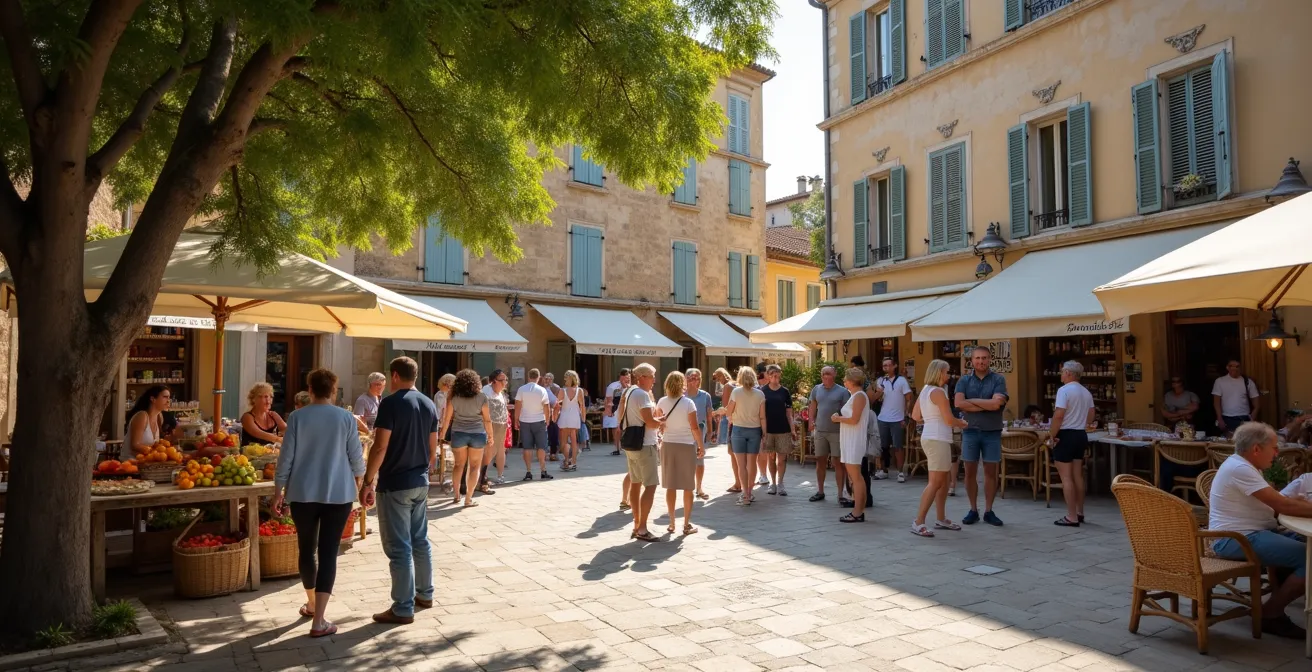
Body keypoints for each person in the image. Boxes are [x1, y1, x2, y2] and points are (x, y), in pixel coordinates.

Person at [270, 368, 364, 638]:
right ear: (333, 390)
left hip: (302, 492)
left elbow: (285, 457)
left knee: (306, 549)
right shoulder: (345, 418)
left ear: (310, 390)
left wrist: (279, 490)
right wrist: (361, 483)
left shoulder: (298, 418)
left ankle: (311, 603)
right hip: (338, 493)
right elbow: (356, 457)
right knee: (328, 552)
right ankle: (319, 618)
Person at [1208, 422, 1312, 638]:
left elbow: (1275, 500)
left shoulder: (1244, 466)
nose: (1276, 453)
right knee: (1310, 558)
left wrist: (1291, 500)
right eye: (1273, 448)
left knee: (1306, 544)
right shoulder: (1240, 468)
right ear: (1256, 449)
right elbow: (1283, 506)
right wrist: (1291, 502)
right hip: (1236, 539)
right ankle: (1270, 614)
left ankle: (1279, 603)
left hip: (1252, 533)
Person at [360, 357, 439, 626]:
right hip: (420, 480)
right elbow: (433, 450)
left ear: (394, 375)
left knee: (399, 547)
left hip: (395, 482)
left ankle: (403, 607)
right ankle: (425, 595)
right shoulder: (429, 403)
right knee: (420, 540)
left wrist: (368, 480)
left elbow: (380, 446)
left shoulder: (391, 403)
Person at [909, 360, 968, 537]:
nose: (949, 376)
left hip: (930, 436)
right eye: (947, 372)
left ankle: (941, 518)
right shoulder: (939, 392)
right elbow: (950, 420)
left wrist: (931, 419)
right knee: (935, 482)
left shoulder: (925, 390)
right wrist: (962, 423)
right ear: (939, 373)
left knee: (941, 481)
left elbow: (915, 415)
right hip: (938, 439)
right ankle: (918, 521)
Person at [954, 346, 1007, 527]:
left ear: (989, 359)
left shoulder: (999, 379)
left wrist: (971, 403)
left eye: (984, 358)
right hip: (970, 431)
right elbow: (958, 403)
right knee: (969, 472)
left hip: (992, 431)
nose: (981, 361)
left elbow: (996, 405)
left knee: (991, 472)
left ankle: (989, 510)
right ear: (972, 360)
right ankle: (973, 509)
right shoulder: (964, 380)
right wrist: (987, 404)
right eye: (977, 358)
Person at [617, 363, 663, 541]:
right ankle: (642, 527)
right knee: (650, 486)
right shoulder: (642, 395)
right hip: (645, 444)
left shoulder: (629, 392)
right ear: (643, 377)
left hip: (632, 444)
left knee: (635, 483)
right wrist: (661, 421)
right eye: (652, 376)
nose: (654, 380)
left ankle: (637, 523)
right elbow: (650, 422)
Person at [656, 371, 705, 536]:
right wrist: (701, 445)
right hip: (686, 445)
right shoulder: (688, 403)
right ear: (682, 385)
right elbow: (694, 427)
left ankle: (671, 522)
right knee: (687, 486)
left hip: (668, 444)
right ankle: (686, 523)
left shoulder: (662, 401)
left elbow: (660, 425)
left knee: (671, 485)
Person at [1050, 361, 1095, 527]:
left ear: (1068, 373)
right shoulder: (1086, 392)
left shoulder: (1064, 391)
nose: (1061, 374)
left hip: (1066, 434)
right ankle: (1080, 511)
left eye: (1062, 371)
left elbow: (1059, 415)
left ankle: (1071, 516)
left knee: (1066, 477)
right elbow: (1091, 416)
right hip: (1080, 434)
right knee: (1078, 476)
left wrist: (1052, 435)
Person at [440, 369, 492, 508]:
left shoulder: (454, 397)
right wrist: (491, 436)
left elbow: (447, 419)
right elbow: (487, 420)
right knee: (474, 467)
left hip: (459, 433)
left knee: (458, 465)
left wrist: (442, 434)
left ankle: (456, 495)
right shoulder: (482, 397)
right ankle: (468, 498)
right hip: (477, 433)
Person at [807, 366, 851, 504]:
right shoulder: (816, 389)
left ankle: (840, 494)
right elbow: (812, 406)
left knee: (838, 462)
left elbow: (847, 410)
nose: (825, 376)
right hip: (820, 431)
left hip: (837, 432)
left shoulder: (843, 392)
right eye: (823, 373)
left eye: (828, 373)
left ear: (835, 375)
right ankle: (820, 491)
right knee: (820, 460)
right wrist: (811, 421)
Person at [724, 366, 767, 505]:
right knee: (752, 463)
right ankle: (749, 492)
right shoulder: (760, 394)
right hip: (755, 430)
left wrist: (731, 416)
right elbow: (762, 417)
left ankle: (744, 495)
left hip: (738, 430)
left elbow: (728, 411)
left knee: (741, 464)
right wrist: (764, 433)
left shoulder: (736, 392)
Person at [833, 368, 871, 523]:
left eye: (845, 379)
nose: (844, 381)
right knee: (853, 476)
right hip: (849, 439)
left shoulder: (860, 396)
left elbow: (854, 419)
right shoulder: (854, 395)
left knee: (856, 477)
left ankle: (858, 511)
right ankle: (857, 508)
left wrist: (838, 419)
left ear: (852, 380)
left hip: (854, 440)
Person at [872, 358, 913, 483]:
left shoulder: (901, 381)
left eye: (889, 365)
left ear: (894, 366)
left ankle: (900, 472)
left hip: (897, 418)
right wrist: (879, 392)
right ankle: (883, 470)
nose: (886, 368)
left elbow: (909, 398)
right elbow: (873, 399)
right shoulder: (880, 381)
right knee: (882, 446)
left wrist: (906, 416)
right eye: (884, 366)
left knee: (898, 446)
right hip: (882, 418)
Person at [760, 364, 797, 496]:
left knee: (782, 459)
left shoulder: (784, 391)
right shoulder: (762, 391)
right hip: (768, 430)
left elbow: (789, 413)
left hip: (783, 429)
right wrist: (762, 432)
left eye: (777, 374)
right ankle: (772, 483)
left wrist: (793, 430)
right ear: (768, 376)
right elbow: (760, 413)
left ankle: (781, 483)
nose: (775, 377)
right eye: (772, 374)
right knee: (770, 458)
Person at [515, 369, 554, 481]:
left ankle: (528, 471)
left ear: (528, 376)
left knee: (527, 447)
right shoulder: (542, 390)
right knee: (541, 447)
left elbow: (518, 405)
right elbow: (546, 407)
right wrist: (548, 420)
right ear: (539, 377)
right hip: (539, 420)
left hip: (525, 421)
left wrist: (516, 419)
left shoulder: (521, 389)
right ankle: (543, 470)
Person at [684, 368, 714, 500]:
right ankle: (688, 486)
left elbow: (709, 415)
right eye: (691, 377)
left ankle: (699, 487)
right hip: (684, 431)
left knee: (699, 460)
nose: (694, 380)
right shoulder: (681, 395)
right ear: (686, 379)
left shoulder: (705, 395)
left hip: (700, 431)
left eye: (696, 378)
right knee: (686, 460)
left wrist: (710, 431)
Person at [715, 368, 744, 493]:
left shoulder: (727, 386)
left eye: (717, 378)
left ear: (721, 376)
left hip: (732, 421)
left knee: (732, 453)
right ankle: (745, 482)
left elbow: (726, 407)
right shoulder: (739, 385)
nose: (717, 381)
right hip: (744, 421)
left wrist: (717, 414)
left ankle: (738, 483)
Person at [1213, 360, 1259, 435]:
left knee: (1245, 443)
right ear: (1227, 367)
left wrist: (1252, 418)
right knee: (1228, 443)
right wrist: (1219, 418)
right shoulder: (1220, 381)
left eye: (1237, 366)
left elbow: (1257, 403)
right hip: (1227, 419)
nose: (1234, 368)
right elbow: (1216, 403)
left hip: (1244, 419)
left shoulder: (1248, 382)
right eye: (1231, 366)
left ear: (1240, 368)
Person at [126, 385, 171, 458]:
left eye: (169, 397)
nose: (168, 401)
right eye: (165, 397)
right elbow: (135, 445)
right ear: (153, 399)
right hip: (130, 463)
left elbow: (155, 444)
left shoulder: (159, 417)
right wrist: (158, 452)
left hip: (148, 463)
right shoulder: (142, 416)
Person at [483, 370, 511, 485]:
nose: (505, 382)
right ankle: (483, 476)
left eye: (506, 380)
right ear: (494, 381)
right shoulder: (485, 391)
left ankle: (500, 475)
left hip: (502, 424)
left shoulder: (501, 393)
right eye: (503, 380)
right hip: (489, 424)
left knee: (500, 449)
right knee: (488, 451)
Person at [556, 370, 586, 472]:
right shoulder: (579, 391)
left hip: (565, 416)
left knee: (564, 441)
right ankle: (573, 462)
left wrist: (554, 416)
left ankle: (566, 461)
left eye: (566, 377)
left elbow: (557, 405)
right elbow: (582, 406)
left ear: (569, 378)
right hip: (575, 416)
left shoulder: (562, 390)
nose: (564, 379)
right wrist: (583, 418)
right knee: (574, 440)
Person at [604, 368, 632, 456]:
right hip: (616, 409)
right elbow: (609, 400)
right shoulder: (613, 386)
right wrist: (609, 410)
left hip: (627, 409)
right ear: (621, 376)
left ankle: (623, 446)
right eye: (626, 376)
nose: (627, 379)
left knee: (624, 429)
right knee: (616, 429)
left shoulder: (631, 387)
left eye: (629, 377)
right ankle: (617, 447)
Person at [543, 373, 563, 461]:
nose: (548, 380)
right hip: (543, 413)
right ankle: (543, 452)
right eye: (546, 379)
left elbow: (558, 400)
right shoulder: (541, 388)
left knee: (553, 433)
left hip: (554, 413)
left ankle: (553, 453)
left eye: (550, 379)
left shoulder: (556, 388)